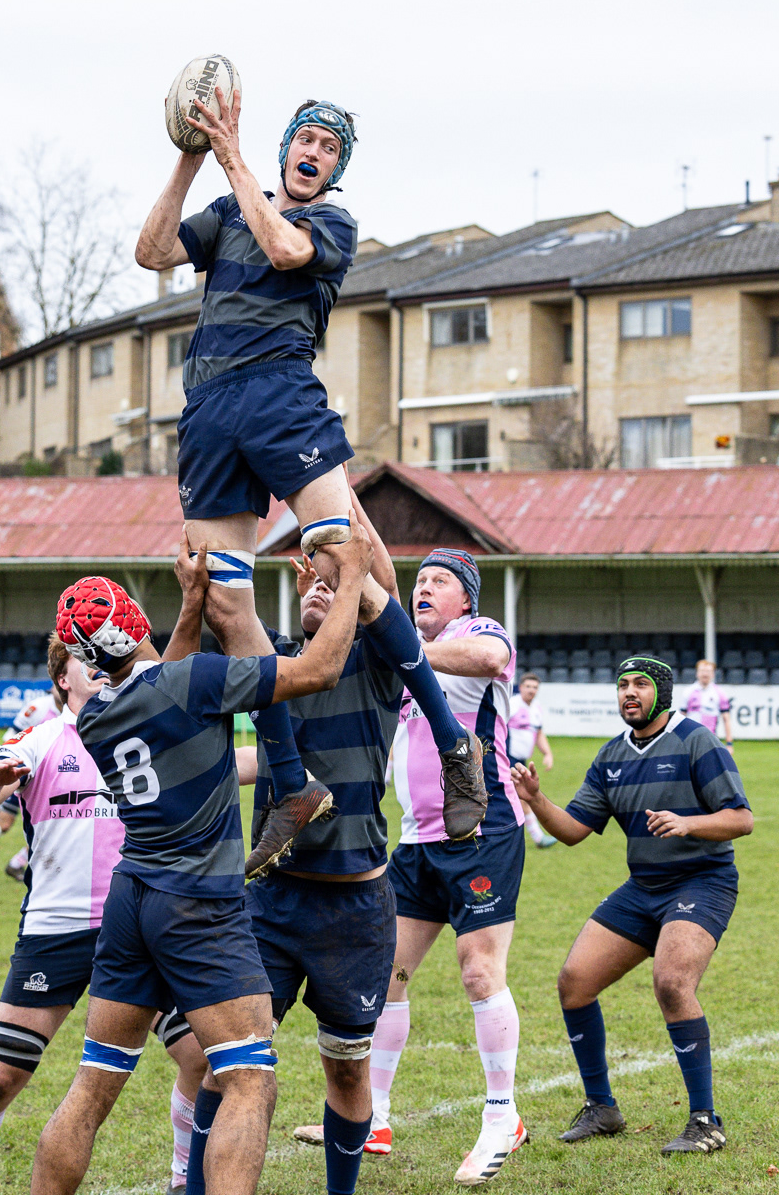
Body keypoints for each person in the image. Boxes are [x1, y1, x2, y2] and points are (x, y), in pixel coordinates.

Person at [135, 86, 485, 870]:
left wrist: (230, 157)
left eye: (329, 148)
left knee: (339, 553)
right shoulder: (227, 211)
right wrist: (190, 159)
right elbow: (152, 253)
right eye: (308, 139)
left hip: (280, 395)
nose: (315, 152)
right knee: (222, 598)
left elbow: (288, 253)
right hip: (208, 409)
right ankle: (291, 783)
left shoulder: (331, 224)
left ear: (335, 169)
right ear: (287, 144)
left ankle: (452, 741)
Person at [28, 526, 375, 1195]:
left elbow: (162, 675)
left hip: (132, 901)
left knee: (93, 1085)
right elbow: (318, 671)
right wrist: (354, 574)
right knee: (249, 1080)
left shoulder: (95, 717)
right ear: (134, 621)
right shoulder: (193, 681)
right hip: (199, 905)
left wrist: (192, 604)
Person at [248, 489, 469, 1195]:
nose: (320, 590)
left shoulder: (373, 660)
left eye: (331, 585)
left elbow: (379, 582)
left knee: (347, 1070)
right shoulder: (271, 666)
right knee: (227, 1059)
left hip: (354, 906)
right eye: (308, 585)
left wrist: (326, 488)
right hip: (271, 902)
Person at [0, 635, 205, 1179]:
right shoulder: (41, 738)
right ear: (61, 679)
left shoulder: (146, 732)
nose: (96, 663)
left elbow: (226, 765)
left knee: (198, 1057)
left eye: (102, 654)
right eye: (81, 656)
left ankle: (181, 1178)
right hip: (56, 928)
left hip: (138, 926)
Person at [511, 655, 753, 1157]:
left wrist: (689, 823)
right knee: (575, 982)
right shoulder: (611, 756)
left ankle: (705, 1121)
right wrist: (536, 799)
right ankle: (602, 1108)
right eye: (623, 685)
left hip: (702, 882)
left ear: (661, 693)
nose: (629, 693)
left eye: (641, 684)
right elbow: (573, 831)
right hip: (643, 887)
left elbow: (741, 819)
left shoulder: (697, 741)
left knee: (672, 983)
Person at [367, 549, 527, 1184]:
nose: (424, 588)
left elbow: (490, 660)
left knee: (479, 971)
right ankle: (373, 1117)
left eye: (440, 581)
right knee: (387, 974)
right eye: (420, 581)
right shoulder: (408, 661)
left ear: (466, 599)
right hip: (416, 842)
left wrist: (409, 649)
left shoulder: (476, 633)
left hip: (482, 831)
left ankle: (502, 1117)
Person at [0, 688, 61, 878]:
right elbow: (11, 738)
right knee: (3, 823)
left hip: (52, 780)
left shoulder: (78, 711)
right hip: (21, 774)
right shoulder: (38, 708)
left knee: (55, 823)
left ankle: (17, 863)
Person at [507, 673, 555, 847]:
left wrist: (547, 753)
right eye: (528, 686)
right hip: (507, 759)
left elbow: (539, 733)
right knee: (522, 797)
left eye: (535, 687)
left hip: (521, 761)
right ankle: (537, 837)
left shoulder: (536, 708)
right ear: (520, 687)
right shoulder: (511, 705)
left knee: (518, 797)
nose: (531, 690)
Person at [682, 659, 734, 751]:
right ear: (697, 673)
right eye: (702, 671)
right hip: (689, 741)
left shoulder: (720, 693)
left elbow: (726, 719)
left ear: (713, 674)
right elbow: (681, 718)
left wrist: (729, 743)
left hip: (710, 741)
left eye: (708, 671)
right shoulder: (688, 692)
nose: (705, 674)